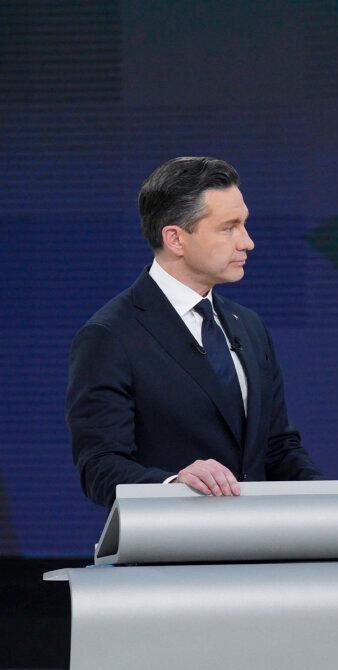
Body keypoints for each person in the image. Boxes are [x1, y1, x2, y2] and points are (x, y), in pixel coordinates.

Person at [67, 157, 322, 507]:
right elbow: (99, 467)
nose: (247, 242)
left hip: (260, 549)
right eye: (229, 227)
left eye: (244, 224)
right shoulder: (110, 335)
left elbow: (277, 447)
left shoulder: (249, 326)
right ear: (175, 238)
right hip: (172, 553)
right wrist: (174, 484)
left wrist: (333, 504)